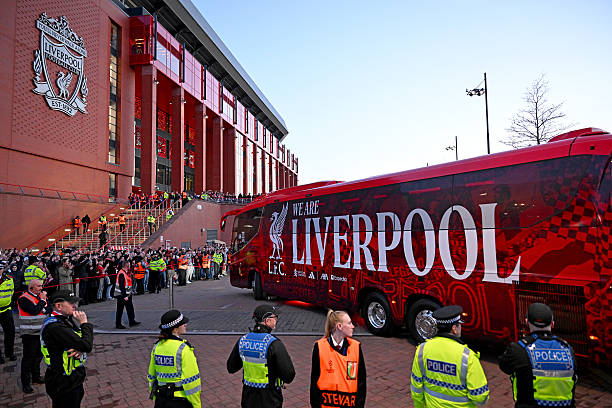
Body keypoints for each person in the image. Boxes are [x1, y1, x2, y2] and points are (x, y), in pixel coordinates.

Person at [499, 302, 576, 408]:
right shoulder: (568, 350)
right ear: (552, 324)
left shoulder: (519, 349)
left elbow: (504, 366)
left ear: (526, 322)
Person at [410, 305, 489, 407]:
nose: (461, 328)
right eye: (459, 325)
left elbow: (416, 388)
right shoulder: (467, 357)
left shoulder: (422, 350)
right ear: (454, 329)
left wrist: (420, 406)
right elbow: (480, 397)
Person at [227, 305, 295, 408]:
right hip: (270, 398)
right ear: (267, 321)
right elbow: (289, 375)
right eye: (275, 317)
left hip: (248, 398)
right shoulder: (274, 343)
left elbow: (231, 367)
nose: (276, 320)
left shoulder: (243, 341)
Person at [41, 290, 93, 408]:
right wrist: (84, 323)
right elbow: (87, 345)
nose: (75, 306)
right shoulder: (55, 326)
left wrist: (80, 348)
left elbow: (79, 341)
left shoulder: (65, 319)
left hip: (71, 377)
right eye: (71, 303)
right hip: (63, 381)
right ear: (59, 306)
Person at [310, 310, 366, 408]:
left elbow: (361, 382)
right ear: (339, 326)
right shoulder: (319, 347)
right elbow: (314, 380)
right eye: (349, 323)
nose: (353, 326)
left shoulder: (356, 347)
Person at [148, 310, 202, 407]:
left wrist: (156, 397)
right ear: (175, 329)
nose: (185, 324)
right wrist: (196, 405)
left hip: (161, 400)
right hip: (180, 401)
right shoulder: (184, 349)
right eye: (182, 323)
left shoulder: (156, 347)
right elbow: (191, 382)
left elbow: (151, 376)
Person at [17, 279, 48, 393]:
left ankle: (36, 377)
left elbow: (48, 309)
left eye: (41, 286)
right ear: (31, 287)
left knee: (38, 357)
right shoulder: (24, 298)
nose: (41, 288)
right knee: (28, 359)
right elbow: (34, 311)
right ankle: (26, 383)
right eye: (39, 286)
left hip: (41, 332)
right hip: (29, 334)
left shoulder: (40, 297)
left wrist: (42, 305)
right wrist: (42, 302)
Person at [113, 260, 140, 329]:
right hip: (122, 295)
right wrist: (124, 296)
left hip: (127, 294)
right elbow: (121, 286)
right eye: (129, 264)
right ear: (126, 265)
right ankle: (118, 324)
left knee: (130, 308)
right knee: (120, 310)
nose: (130, 265)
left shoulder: (125, 272)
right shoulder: (121, 273)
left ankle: (132, 321)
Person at [0, 261, 16, 363]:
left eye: (0, 269)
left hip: (6, 310)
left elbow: (11, 292)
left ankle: (9, 353)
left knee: (10, 332)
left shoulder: (9, 279)